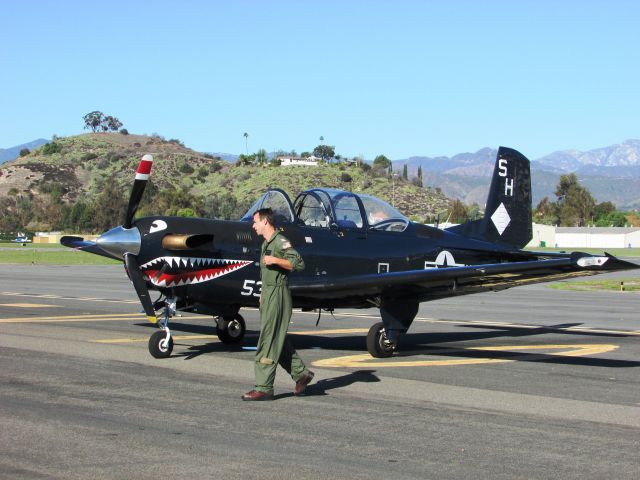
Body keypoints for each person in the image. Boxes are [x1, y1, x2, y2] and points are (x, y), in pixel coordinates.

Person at [242, 208, 314, 401]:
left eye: (255, 221)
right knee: (276, 339)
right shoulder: (267, 243)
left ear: (265, 222)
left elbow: (298, 263)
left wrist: (275, 260)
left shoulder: (280, 242)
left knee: (268, 339)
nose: (253, 225)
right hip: (269, 294)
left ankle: (264, 387)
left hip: (278, 294)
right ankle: (301, 374)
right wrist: (263, 293)